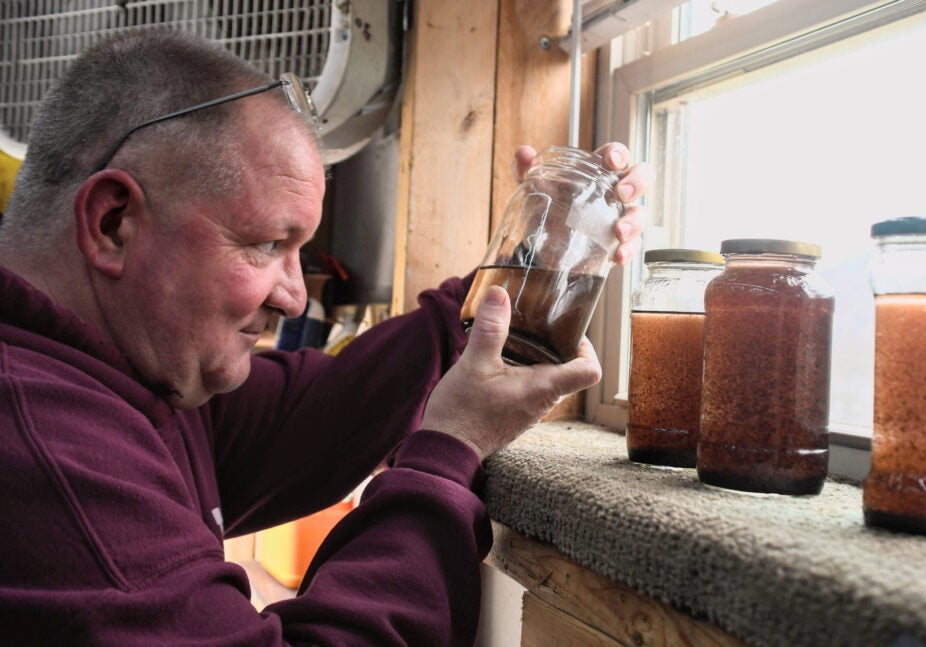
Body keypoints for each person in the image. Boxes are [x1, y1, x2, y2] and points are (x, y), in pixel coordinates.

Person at [0, 29, 651, 646]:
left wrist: (537, 250)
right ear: (113, 221)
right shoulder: (42, 447)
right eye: (266, 244)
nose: (292, 293)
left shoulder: (128, 374)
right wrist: (448, 452)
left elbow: (332, 406)